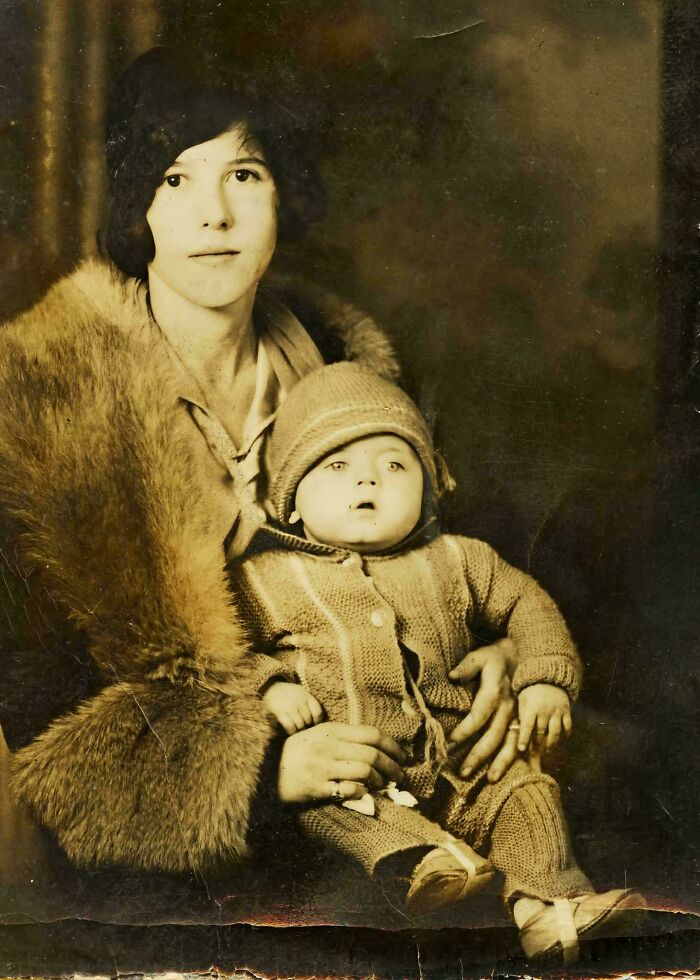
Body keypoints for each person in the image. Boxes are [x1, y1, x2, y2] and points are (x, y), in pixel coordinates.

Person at [0, 46, 520, 890]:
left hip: (403, 767)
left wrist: (490, 654)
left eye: (244, 174)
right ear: (138, 204)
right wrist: (265, 773)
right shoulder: (35, 396)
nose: (214, 216)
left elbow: (447, 559)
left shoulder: (350, 366)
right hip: (187, 848)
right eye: (174, 179)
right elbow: (36, 705)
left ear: (284, 194)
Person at [229, 362, 645, 962]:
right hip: (357, 774)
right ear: (290, 502)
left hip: (465, 763)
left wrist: (544, 679)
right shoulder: (264, 579)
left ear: (427, 488)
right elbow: (221, 652)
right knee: (331, 814)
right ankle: (429, 866)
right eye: (337, 466)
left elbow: (528, 605)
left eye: (394, 466)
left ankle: (548, 909)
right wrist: (268, 686)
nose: (366, 483)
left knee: (526, 794)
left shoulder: (458, 558)